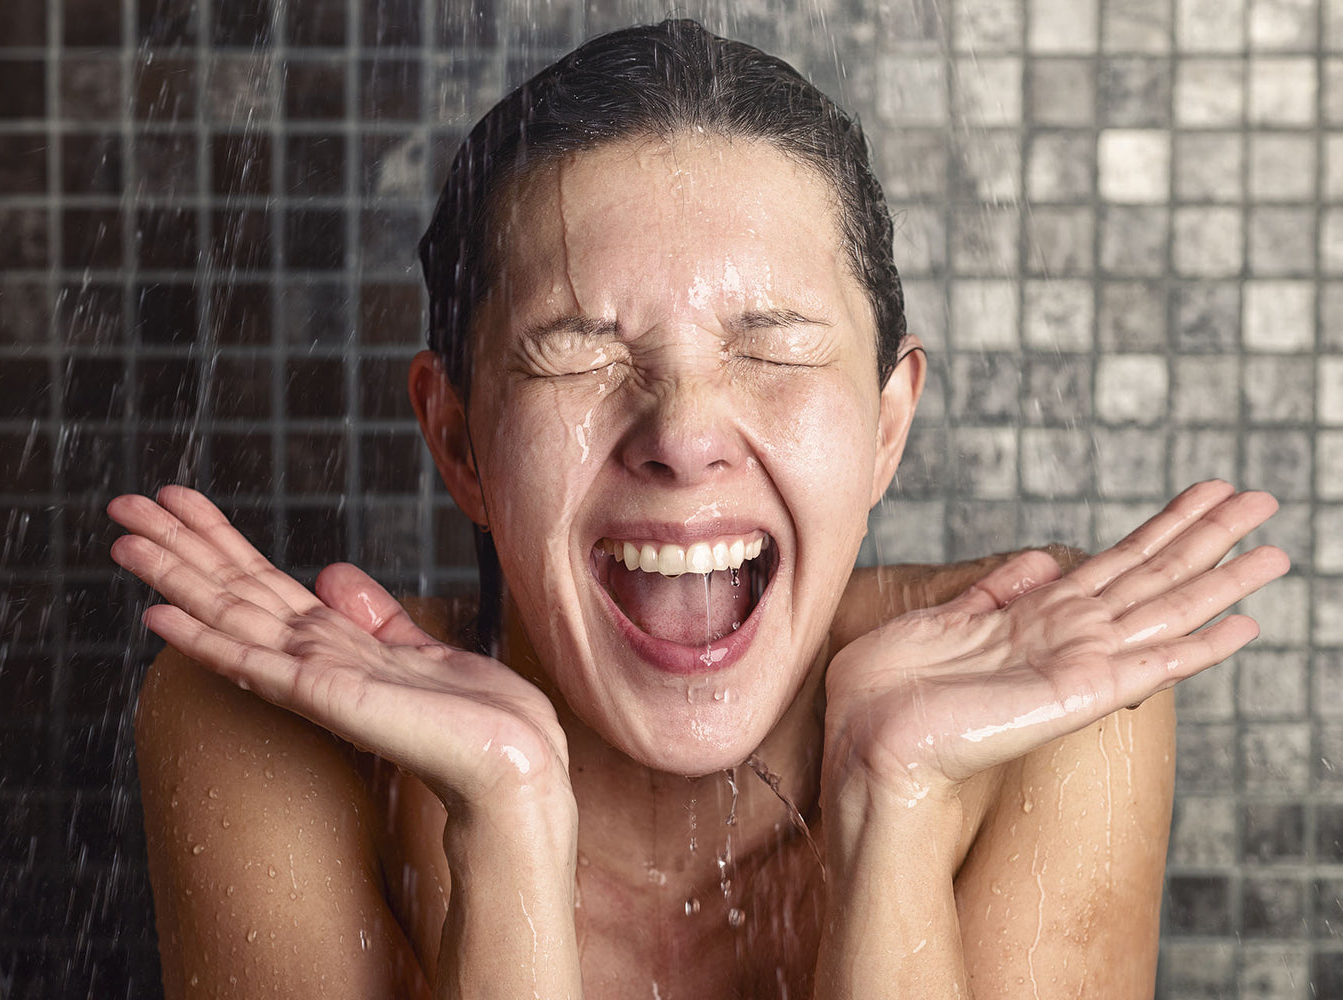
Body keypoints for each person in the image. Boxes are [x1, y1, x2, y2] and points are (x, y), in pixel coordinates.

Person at [107, 20, 1288, 999]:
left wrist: (901, 802)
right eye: (578, 353)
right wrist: (507, 824)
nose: (680, 433)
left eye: (771, 349)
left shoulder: (1054, 696)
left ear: (887, 428)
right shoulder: (279, 721)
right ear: (460, 439)